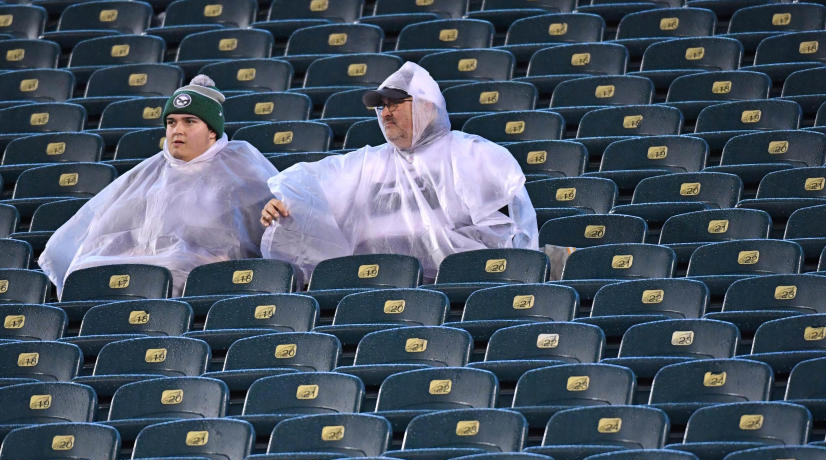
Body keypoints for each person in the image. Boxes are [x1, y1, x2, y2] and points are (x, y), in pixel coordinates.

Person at [259, 61, 539, 282]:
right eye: (381, 106)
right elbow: (315, 187)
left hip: (471, 284)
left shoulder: (474, 154)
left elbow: (508, 233)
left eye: (395, 103)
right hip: (381, 285)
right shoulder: (369, 164)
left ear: (427, 107)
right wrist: (284, 204)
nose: (385, 113)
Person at [39, 75, 278, 295]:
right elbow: (112, 230)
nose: (178, 130)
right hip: (145, 267)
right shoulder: (148, 172)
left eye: (190, 121)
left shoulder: (242, 163)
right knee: (85, 269)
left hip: (204, 273)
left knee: (174, 267)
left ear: (212, 132)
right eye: (172, 122)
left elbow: (274, 220)